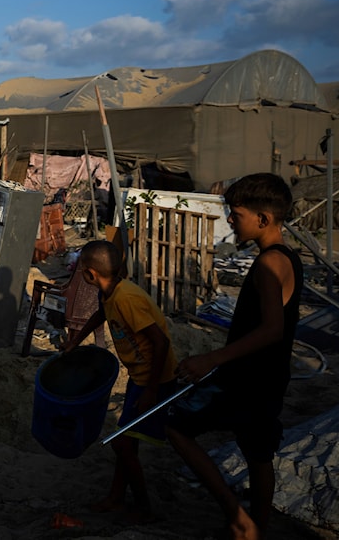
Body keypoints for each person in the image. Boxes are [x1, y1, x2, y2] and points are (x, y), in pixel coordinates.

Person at [166, 173, 303, 540]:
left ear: (263, 219)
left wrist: (212, 359)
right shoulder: (286, 257)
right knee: (257, 452)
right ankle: (257, 526)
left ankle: (237, 518)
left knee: (177, 428)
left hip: (247, 379)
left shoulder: (269, 265)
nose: (229, 220)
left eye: (235, 213)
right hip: (269, 377)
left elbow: (272, 329)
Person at [64, 239, 178, 524]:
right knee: (127, 444)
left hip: (156, 379)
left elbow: (161, 342)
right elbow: (101, 313)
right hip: (139, 377)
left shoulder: (127, 297)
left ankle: (142, 506)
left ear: (90, 275)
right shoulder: (110, 293)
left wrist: (151, 390)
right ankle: (116, 497)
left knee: (122, 444)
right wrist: (77, 340)